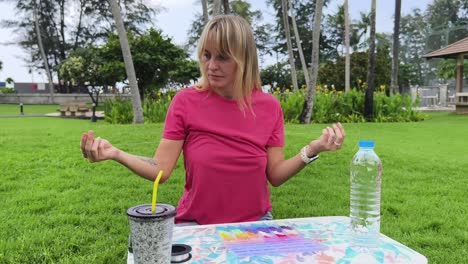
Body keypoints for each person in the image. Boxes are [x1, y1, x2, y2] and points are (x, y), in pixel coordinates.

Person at [80, 15, 345, 226]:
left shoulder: (269, 107)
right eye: (207, 55)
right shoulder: (185, 102)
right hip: (196, 225)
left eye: (223, 57)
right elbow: (160, 169)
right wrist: (115, 154)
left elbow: (274, 176)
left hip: (255, 225)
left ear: (244, 59)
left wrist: (313, 149)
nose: (211, 66)